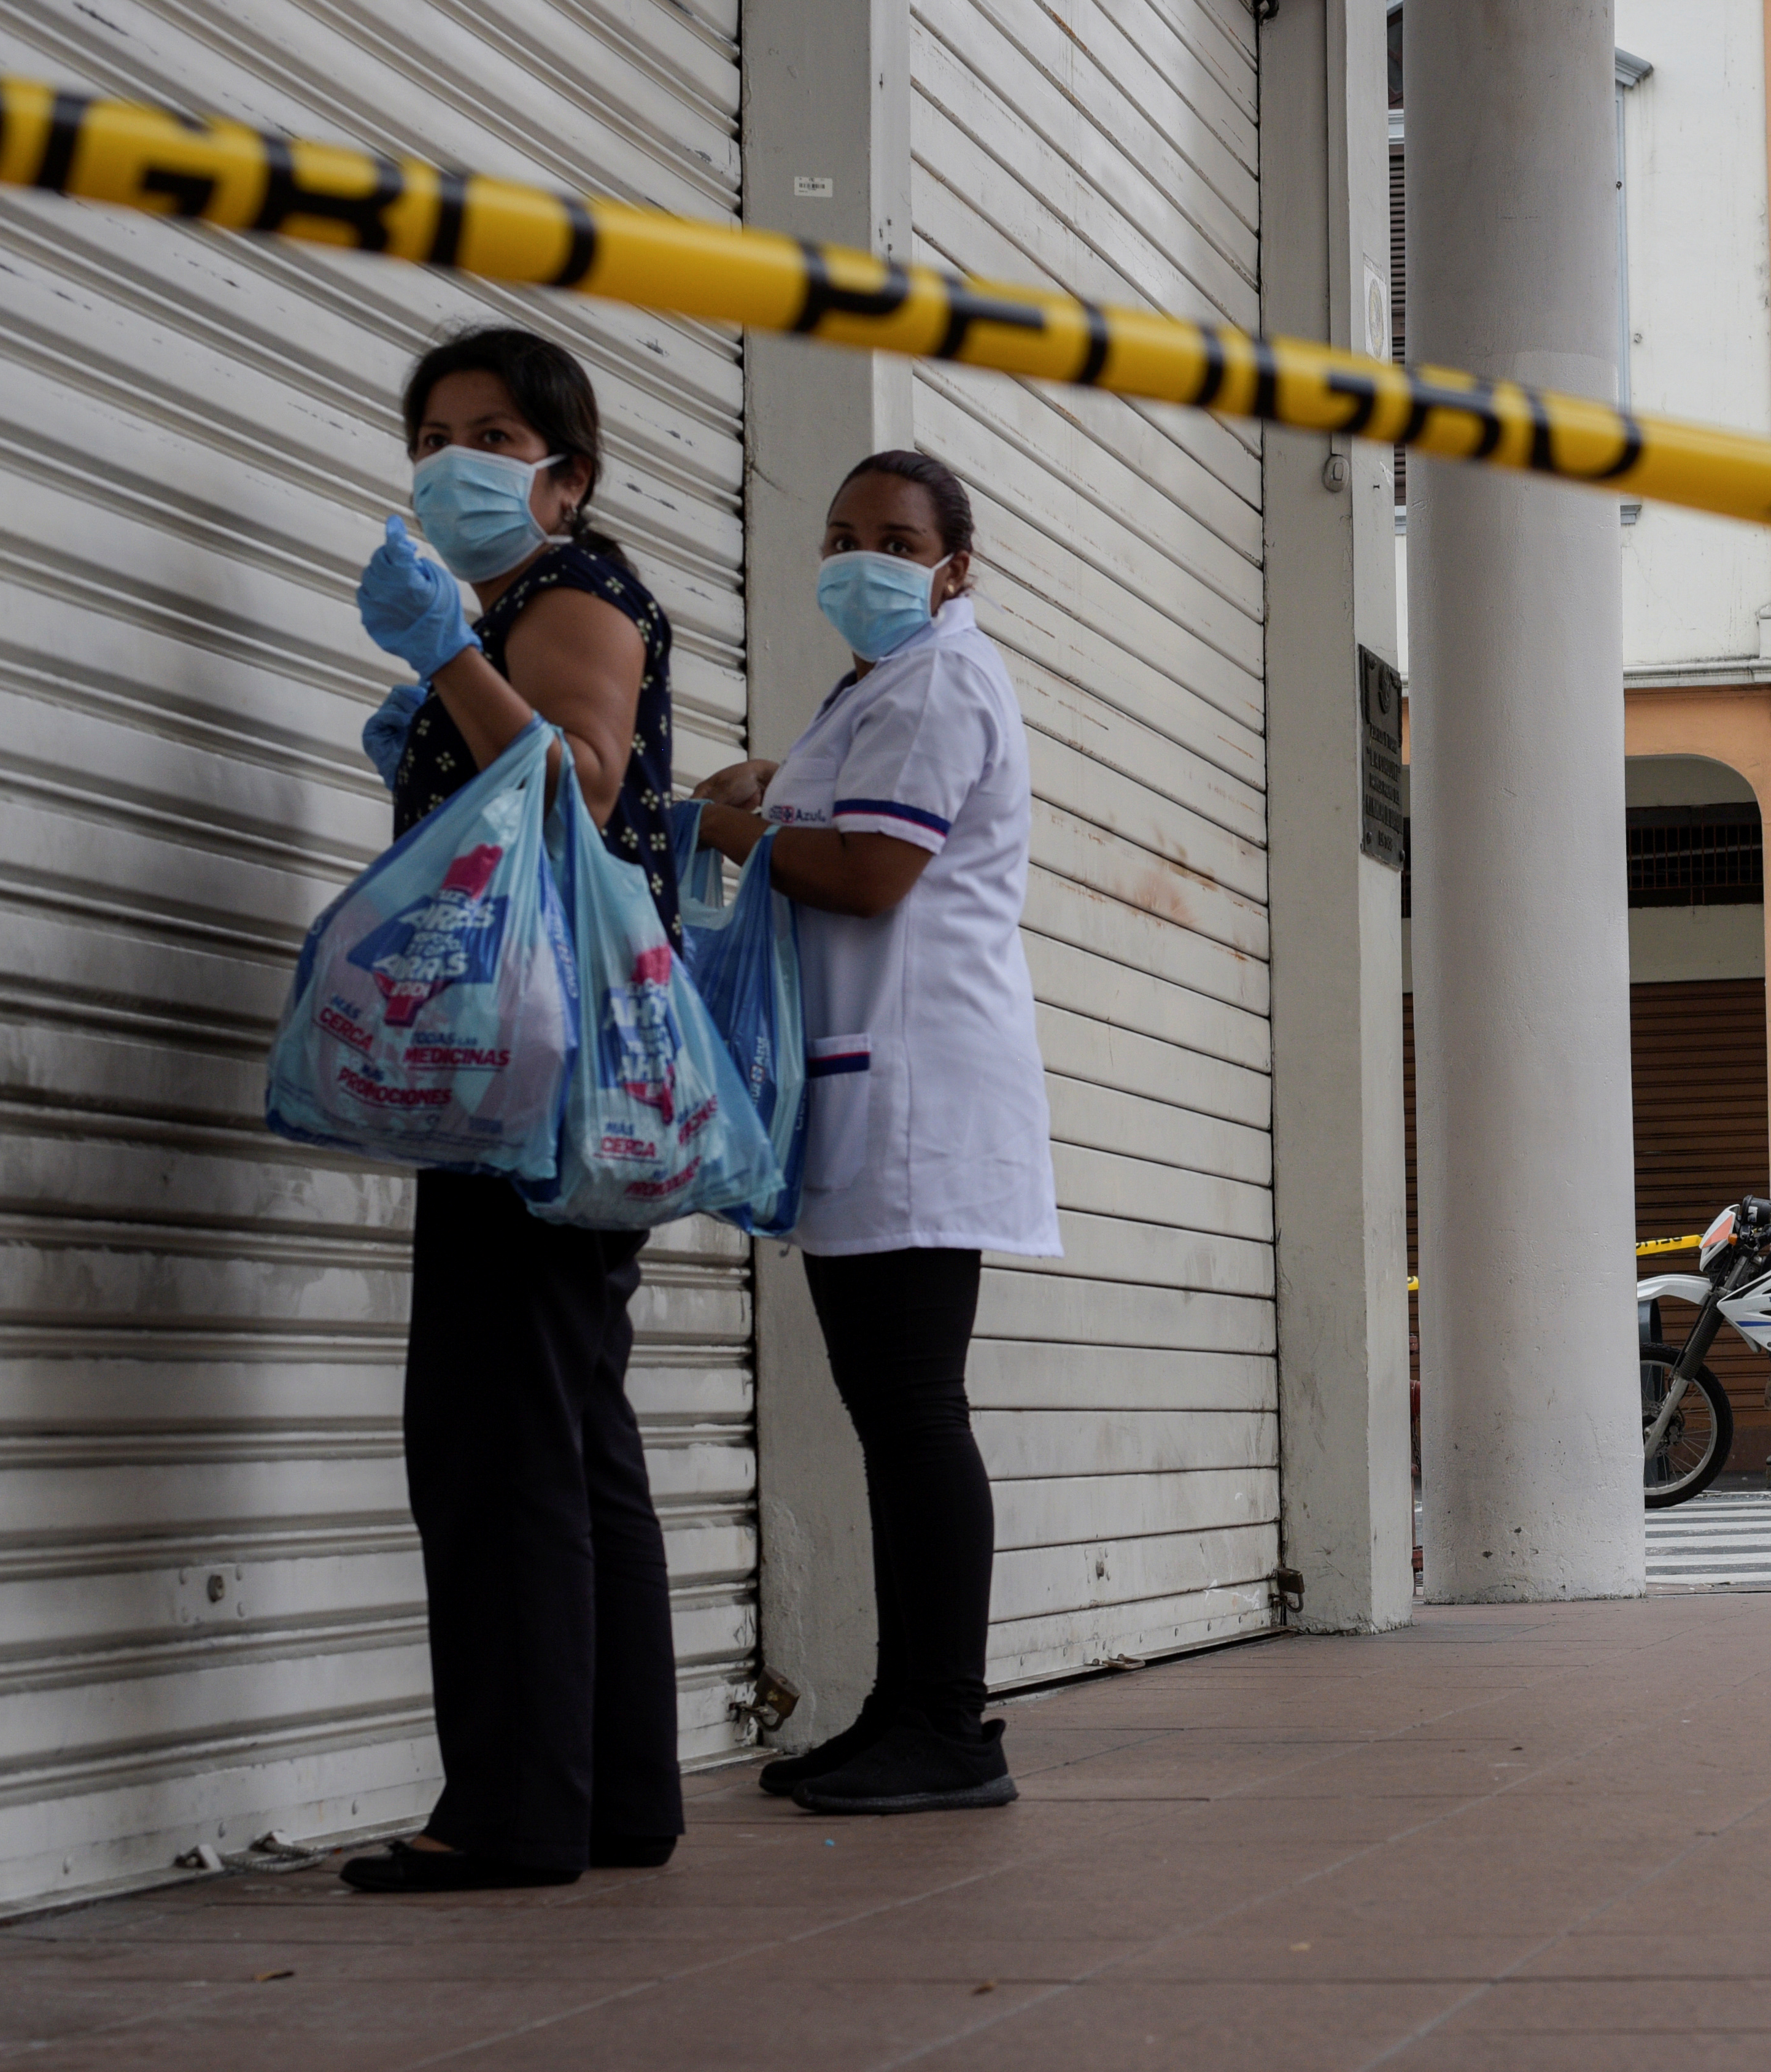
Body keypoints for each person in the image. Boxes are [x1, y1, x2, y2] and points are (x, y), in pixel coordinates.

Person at [337, 328, 687, 1892]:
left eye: (492, 432)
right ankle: (611, 1796)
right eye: (431, 429)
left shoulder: (569, 598)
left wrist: (447, 668)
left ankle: (509, 1810)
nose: (451, 456)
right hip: (566, 1060)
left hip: (525, 1065)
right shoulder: (535, 606)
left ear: (569, 473)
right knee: (566, 1427)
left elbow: (583, 786)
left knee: (495, 1437)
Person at [686, 450, 1061, 1816]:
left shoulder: (946, 676)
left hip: (916, 1090)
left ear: (957, 563)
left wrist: (719, 822)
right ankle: (905, 1710)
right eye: (843, 532)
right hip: (878, 1084)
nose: (865, 558)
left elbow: (871, 870)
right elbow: (851, 813)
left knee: (913, 1412)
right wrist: (778, 784)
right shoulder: (892, 684)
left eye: (898, 538)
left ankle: (950, 1726)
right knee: (891, 1414)